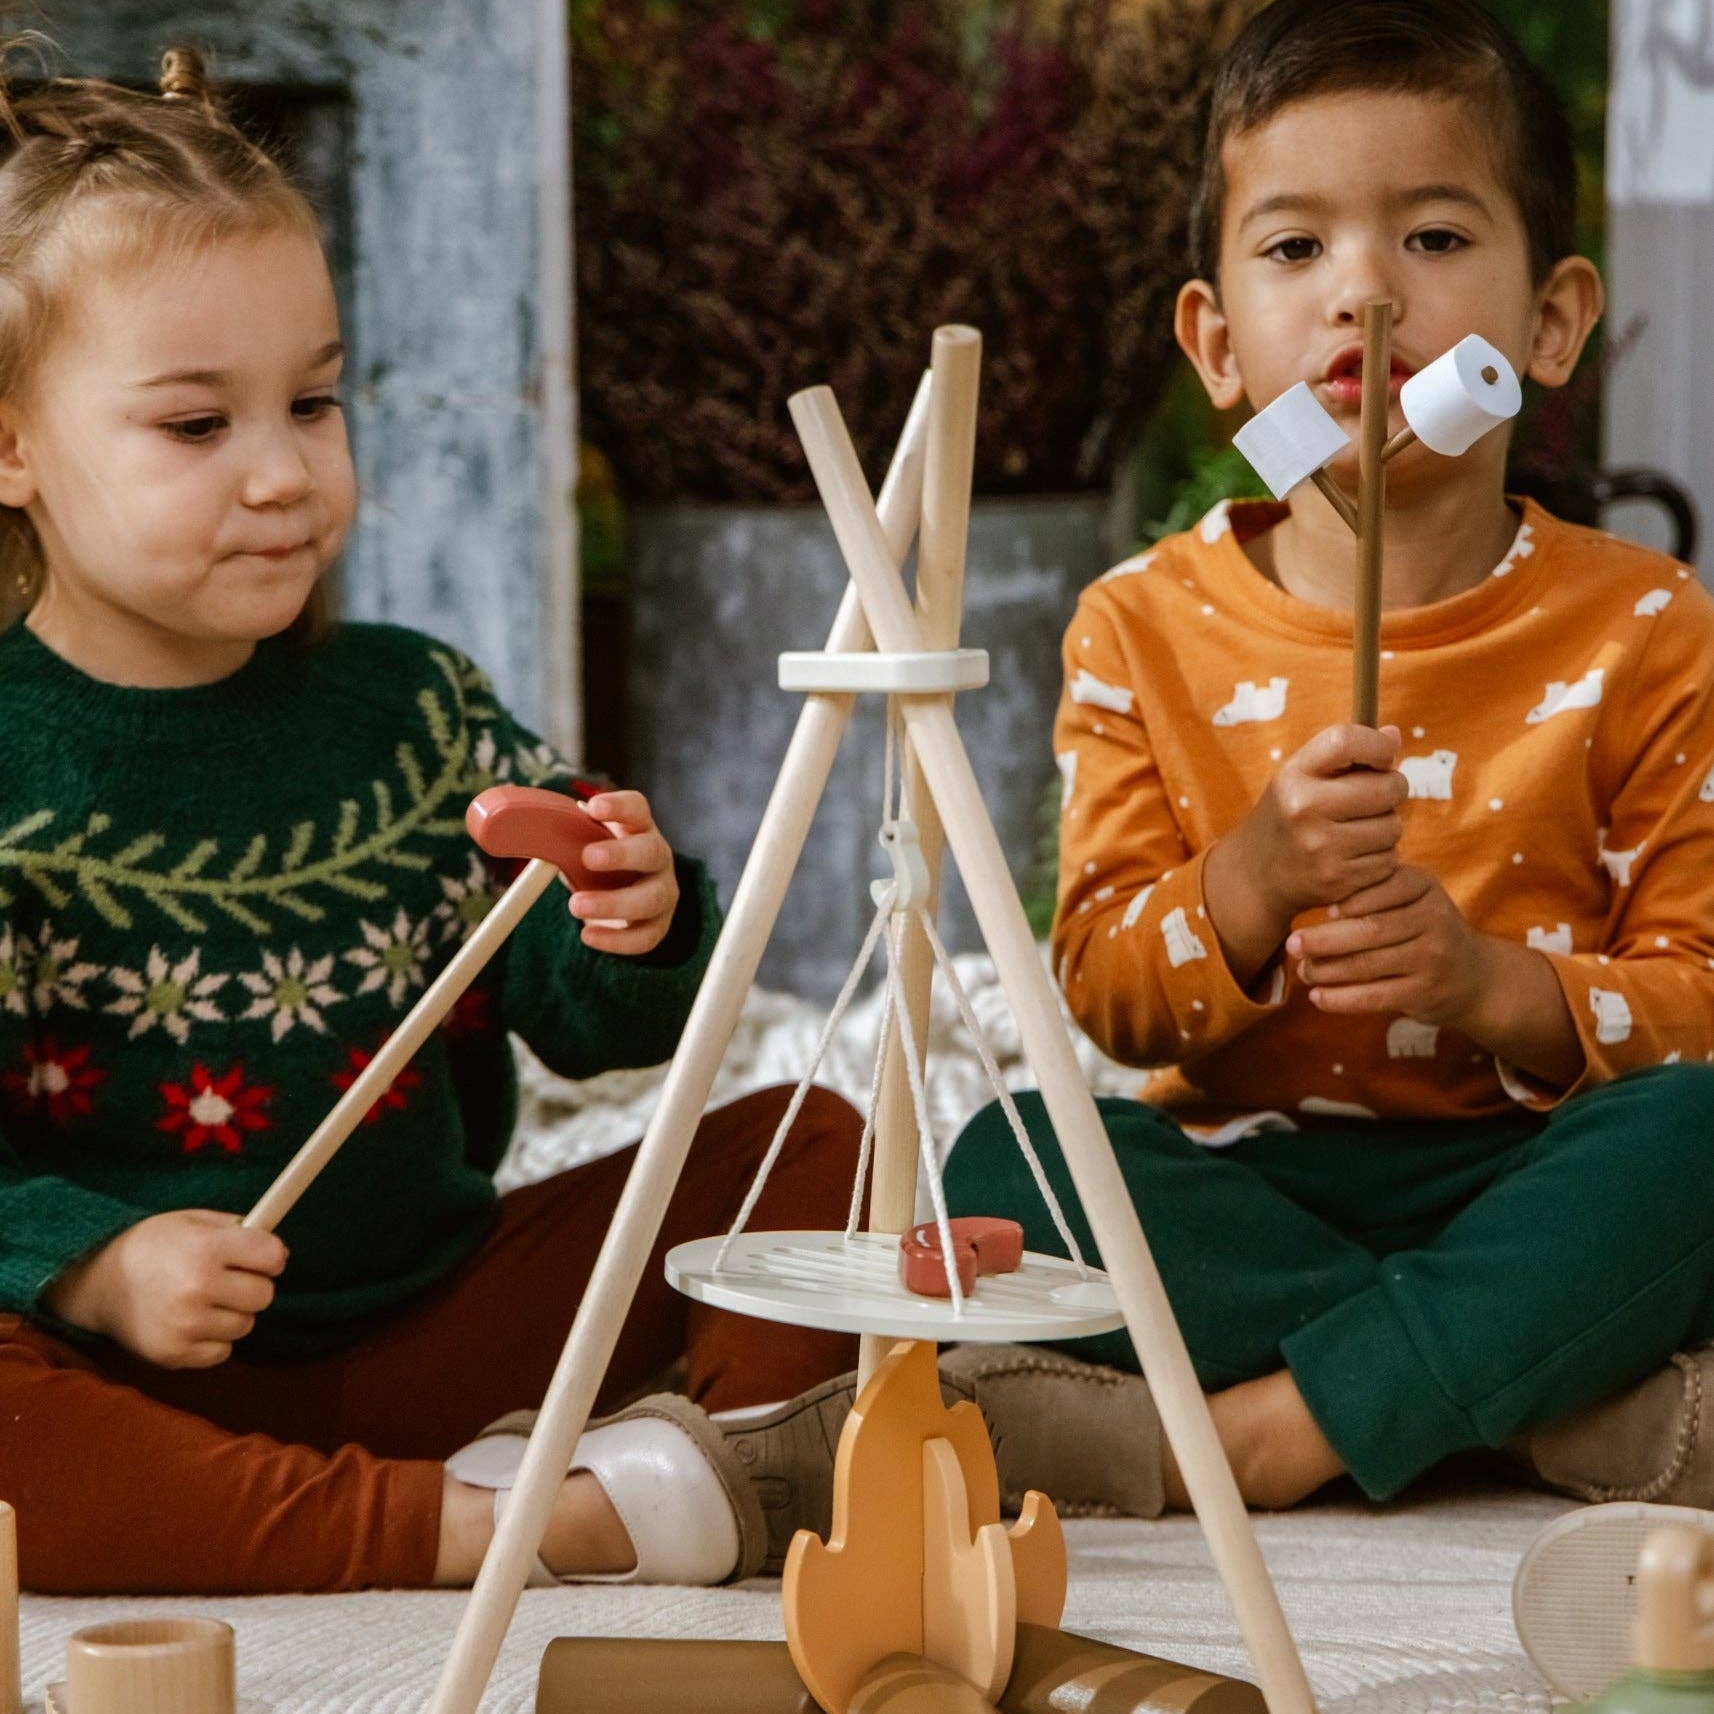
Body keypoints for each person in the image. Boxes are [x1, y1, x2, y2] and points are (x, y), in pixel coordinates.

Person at [0, 44, 867, 1595]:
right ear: (11, 447)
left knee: (811, 1142)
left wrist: (636, 918)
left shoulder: (416, 709)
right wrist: (98, 1262)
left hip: (442, 1319)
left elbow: (600, 1030)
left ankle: (695, 1466)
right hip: (141, 1385)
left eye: (314, 401)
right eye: (197, 427)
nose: (284, 472)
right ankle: (486, 1527)